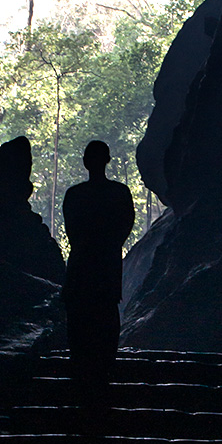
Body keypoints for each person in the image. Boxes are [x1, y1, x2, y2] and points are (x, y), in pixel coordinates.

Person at [61, 140, 135, 390]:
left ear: (85, 162)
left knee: (80, 316)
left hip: (83, 264)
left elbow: (72, 231)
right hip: (106, 264)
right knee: (105, 314)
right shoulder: (120, 193)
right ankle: (104, 369)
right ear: (108, 161)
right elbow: (126, 225)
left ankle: (81, 369)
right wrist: (109, 246)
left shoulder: (75, 195)